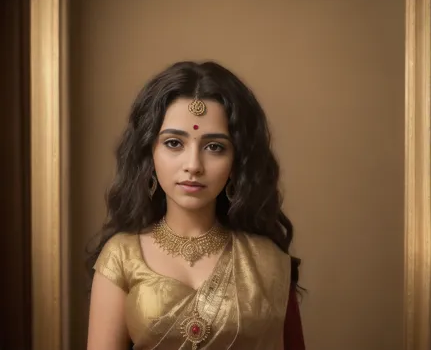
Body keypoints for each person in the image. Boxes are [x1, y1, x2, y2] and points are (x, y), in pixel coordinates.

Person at [86, 61, 305, 350]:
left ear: (237, 161)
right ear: (149, 153)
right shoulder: (122, 256)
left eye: (214, 147)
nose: (193, 166)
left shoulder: (268, 261)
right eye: (174, 143)